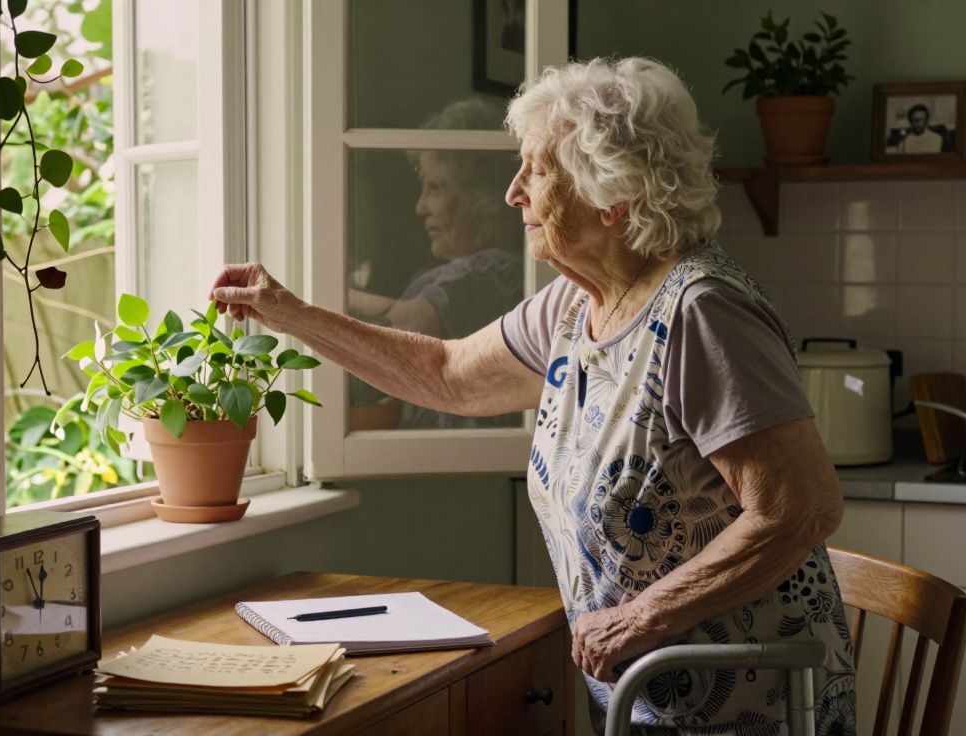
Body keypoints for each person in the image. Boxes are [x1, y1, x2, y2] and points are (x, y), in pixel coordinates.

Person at [210, 57, 855, 735]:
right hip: (650, 695)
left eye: (538, 169)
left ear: (614, 193)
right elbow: (448, 373)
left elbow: (800, 509)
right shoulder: (576, 306)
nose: (515, 192)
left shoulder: (701, 311)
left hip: (748, 708)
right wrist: (288, 314)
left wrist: (640, 619)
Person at [346, 97, 524, 428]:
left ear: (478, 194)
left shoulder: (500, 271)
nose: (420, 207)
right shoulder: (433, 274)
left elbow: (409, 330)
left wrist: (330, 295)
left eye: (435, 189)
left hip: (467, 464)